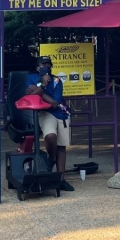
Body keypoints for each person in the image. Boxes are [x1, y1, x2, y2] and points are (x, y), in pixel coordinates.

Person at [25, 56, 73, 192]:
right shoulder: (31, 78)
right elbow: (29, 97)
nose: (46, 66)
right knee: (50, 136)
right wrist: (44, 86)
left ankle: (61, 180)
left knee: (61, 146)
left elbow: (55, 103)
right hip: (44, 112)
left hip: (61, 112)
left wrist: (39, 92)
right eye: (43, 64)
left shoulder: (57, 80)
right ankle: (51, 159)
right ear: (37, 67)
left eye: (48, 64)